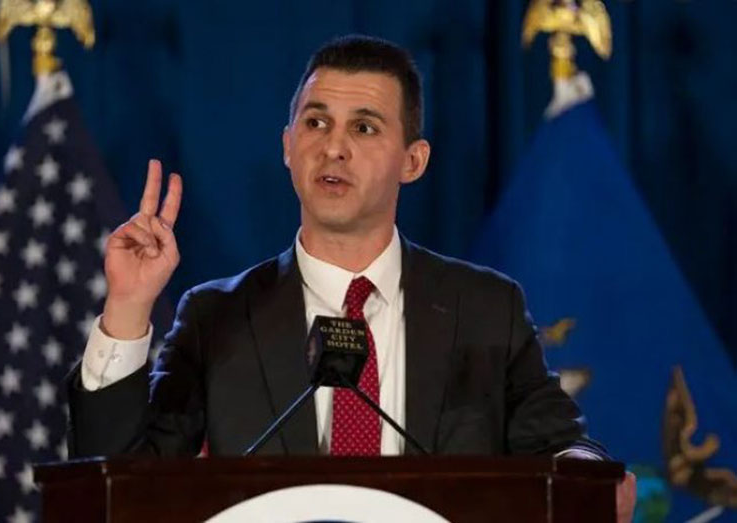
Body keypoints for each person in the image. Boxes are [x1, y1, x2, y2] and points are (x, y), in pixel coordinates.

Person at [67, 35, 636, 520]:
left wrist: (586, 476)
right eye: (316, 123)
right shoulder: (216, 316)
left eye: (364, 128)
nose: (333, 148)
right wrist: (128, 306)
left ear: (413, 161)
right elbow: (120, 480)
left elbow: (563, 449)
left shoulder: (486, 310)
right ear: (288, 146)